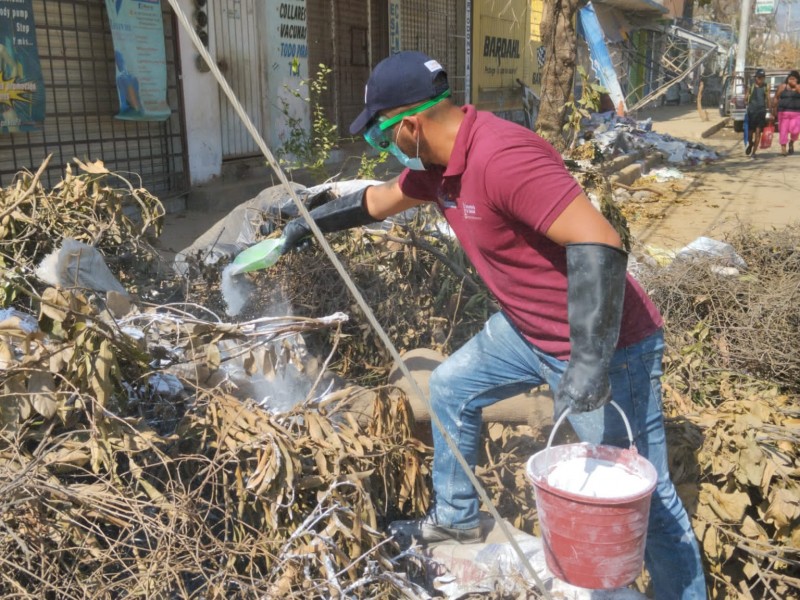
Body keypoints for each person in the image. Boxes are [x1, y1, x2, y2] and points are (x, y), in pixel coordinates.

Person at [278, 51, 707, 599]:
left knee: (643, 494)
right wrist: (307, 225)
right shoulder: (435, 169)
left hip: (607, 342)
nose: (382, 150)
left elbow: (599, 241)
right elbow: (378, 200)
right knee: (452, 386)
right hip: (528, 331)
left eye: (380, 138)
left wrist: (590, 360)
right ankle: (457, 518)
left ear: (409, 124)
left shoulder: (503, 156)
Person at [772, 70, 800, 156]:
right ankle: (783, 150)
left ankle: (791, 142)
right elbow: (776, 97)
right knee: (783, 131)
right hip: (783, 112)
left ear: (797, 80)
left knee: (795, 131)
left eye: (794, 79)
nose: (791, 80)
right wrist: (773, 110)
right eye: (790, 78)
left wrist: (796, 86)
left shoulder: (799, 87)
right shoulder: (782, 86)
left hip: (796, 113)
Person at [745, 68, 769, 158]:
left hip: (761, 112)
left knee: (758, 132)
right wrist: (745, 99)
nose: (760, 80)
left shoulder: (766, 87)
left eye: (762, 78)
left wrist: (770, 111)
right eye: (759, 78)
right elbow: (746, 97)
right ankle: (750, 144)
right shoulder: (751, 86)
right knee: (750, 133)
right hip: (751, 112)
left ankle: (754, 152)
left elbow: (768, 99)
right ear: (756, 78)